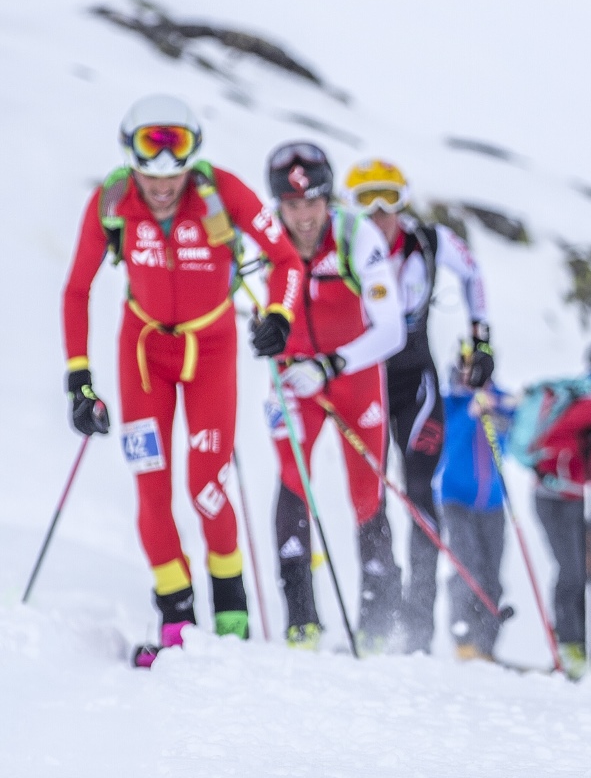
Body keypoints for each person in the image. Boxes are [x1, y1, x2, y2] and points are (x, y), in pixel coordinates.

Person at [61, 95, 307, 666]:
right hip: (144, 354)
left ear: (194, 156)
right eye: (150, 168)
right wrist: (80, 379)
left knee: (206, 485)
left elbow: (287, 261)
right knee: (151, 491)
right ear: (132, 159)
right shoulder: (113, 201)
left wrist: (279, 317)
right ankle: (176, 624)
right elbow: (77, 289)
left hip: (212, 350)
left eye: (176, 169)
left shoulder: (223, 191)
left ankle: (232, 618)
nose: (163, 184)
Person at [250, 142, 405, 652]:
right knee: (293, 479)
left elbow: (391, 331)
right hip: (294, 381)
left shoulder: (356, 236)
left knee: (367, 491)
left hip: (353, 376)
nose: (304, 216)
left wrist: (333, 364)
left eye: (313, 202)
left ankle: (378, 620)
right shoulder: (267, 242)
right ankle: (301, 618)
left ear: (328, 198)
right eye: (292, 206)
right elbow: (235, 299)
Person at [345, 159, 493, 654]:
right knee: (372, 495)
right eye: (366, 199)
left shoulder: (429, 242)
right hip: (364, 382)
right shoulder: (347, 243)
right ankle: (376, 610)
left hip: (416, 383)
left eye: (388, 197)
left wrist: (480, 340)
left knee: (420, 493)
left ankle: (418, 623)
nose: (379, 211)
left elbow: (474, 276)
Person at [528, 346, 591, 677]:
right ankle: (568, 645)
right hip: (554, 495)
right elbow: (552, 438)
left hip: (583, 496)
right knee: (572, 571)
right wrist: (579, 452)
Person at [436, 356, 513, 661]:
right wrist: (470, 414)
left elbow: (512, 435)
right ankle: (463, 637)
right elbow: (447, 444)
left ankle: (486, 645)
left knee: (492, 574)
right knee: (467, 566)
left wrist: (502, 414)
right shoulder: (451, 402)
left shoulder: (497, 398)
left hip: (493, 502)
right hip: (457, 500)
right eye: (463, 367)